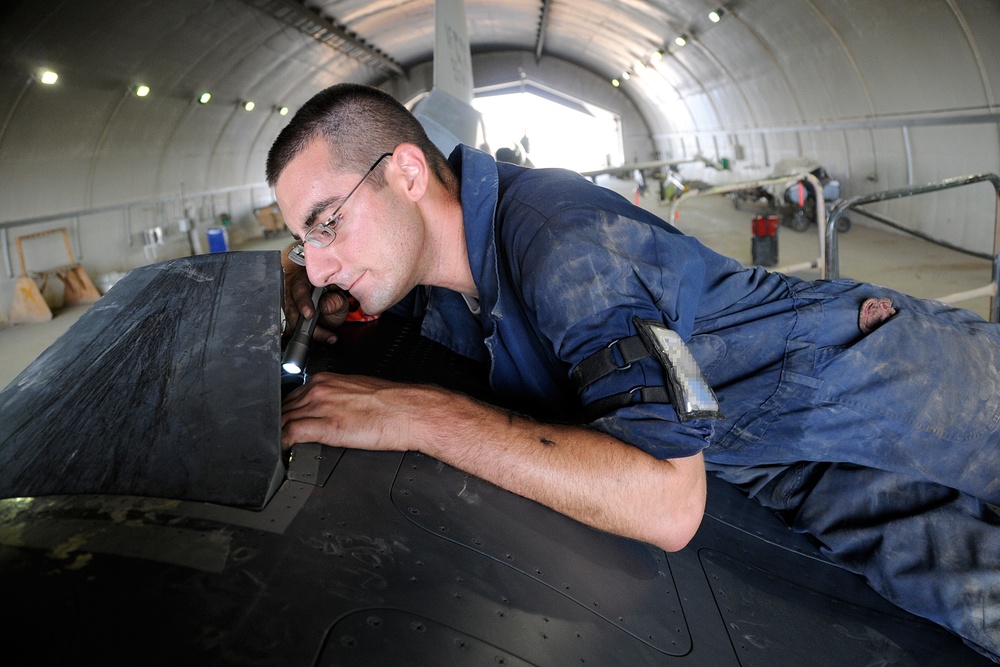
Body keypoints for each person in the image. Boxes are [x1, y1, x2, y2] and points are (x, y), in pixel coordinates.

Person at [268, 83, 1000, 660]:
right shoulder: (459, 282)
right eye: (305, 240)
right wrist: (314, 290)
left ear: (405, 170)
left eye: (327, 221)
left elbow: (668, 505)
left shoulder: (560, 244)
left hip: (883, 376)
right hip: (794, 465)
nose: (322, 259)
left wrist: (416, 416)